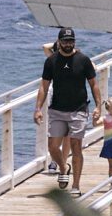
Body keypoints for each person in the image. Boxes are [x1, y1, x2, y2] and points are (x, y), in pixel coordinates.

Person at [34, 28, 99, 194]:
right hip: (56, 109)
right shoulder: (51, 61)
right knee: (52, 146)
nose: (68, 44)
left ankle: (76, 186)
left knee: (76, 147)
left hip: (78, 109)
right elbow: (44, 86)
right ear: (59, 42)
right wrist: (38, 109)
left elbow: (93, 84)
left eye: (71, 41)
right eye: (65, 41)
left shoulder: (83, 60)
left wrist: (98, 106)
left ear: (75, 42)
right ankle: (63, 167)